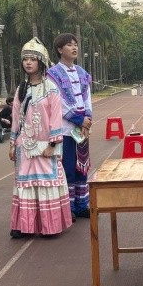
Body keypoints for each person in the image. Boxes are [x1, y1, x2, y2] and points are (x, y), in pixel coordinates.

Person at [9, 39, 72, 238]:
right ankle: (25, 226)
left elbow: (55, 117)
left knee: (46, 184)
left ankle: (49, 226)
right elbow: (16, 118)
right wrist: (13, 144)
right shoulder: (21, 89)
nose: (28, 63)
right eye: (25, 59)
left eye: (32, 59)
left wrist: (53, 144)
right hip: (25, 146)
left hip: (46, 146)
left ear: (41, 62)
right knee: (25, 183)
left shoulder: (51, 88)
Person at [47, 33, 92, 219]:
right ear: (59, 49)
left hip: (82, 129)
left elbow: (87, 98)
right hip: (65, 129)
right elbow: (58, 102)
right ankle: (69, 207)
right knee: (68, 166)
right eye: (69, 45)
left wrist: (87, 119)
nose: (74, 48)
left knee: (82, 165)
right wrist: (79, 119)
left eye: (75, 45)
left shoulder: (82, 73)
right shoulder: (53, 74)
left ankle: (82, 204)